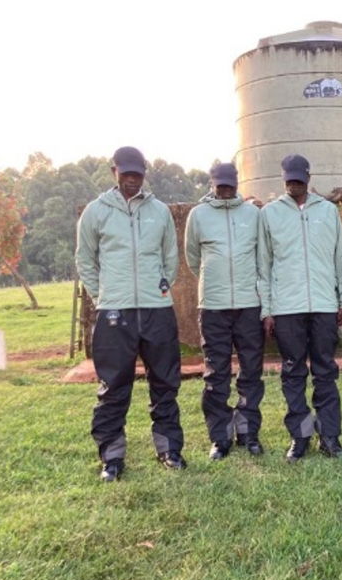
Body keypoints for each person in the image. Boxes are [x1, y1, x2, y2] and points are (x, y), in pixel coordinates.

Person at [75, 146, 185, 481]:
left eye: (137, 175)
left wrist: (160, 288)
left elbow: (170, 257)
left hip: (156, 309)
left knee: (165, 383)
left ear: (144, 175)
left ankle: (168, 449)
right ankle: (112, 457)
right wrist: (102, 295)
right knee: (114, 385)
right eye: (126, 175)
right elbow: (85, 260)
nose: (132, 181)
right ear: (114, 173)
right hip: (114, 311)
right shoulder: (96, 212)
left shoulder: (159, 211)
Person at [257, 154, 342, 462]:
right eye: (289, 178)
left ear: (309, 178)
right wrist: (267, 309)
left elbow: (340, 258)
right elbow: (264, 265)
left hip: (323, 304)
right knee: (293, 372)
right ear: (283, 179)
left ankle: (330, 437)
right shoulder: (269, 214)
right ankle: (300, 436)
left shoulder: (328, 211)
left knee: (325, 371)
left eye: (299, 178)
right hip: (287, 307)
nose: (294, 183)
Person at [185, 162, 265, 461]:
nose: (225, 189)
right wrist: (215, 281)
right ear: (212, 184)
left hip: (248, 304)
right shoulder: (198, 215)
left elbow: (262, 256)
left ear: (237, 183)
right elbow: (193, 258)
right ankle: (220, 437)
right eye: (220, 184)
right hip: (214, 306)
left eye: (229, 184)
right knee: (216, 374)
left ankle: (248, 432)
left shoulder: (252, 214)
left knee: (251, 372)